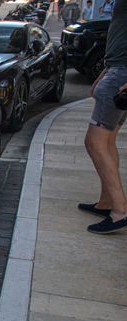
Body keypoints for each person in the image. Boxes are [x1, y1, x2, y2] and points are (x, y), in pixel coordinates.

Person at [81, 0, 127, 233]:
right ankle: (107, 203)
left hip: (121, 75)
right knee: (107, 142)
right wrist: (106, 71)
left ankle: (119, 211)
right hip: (117, 70)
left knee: (95, 143)